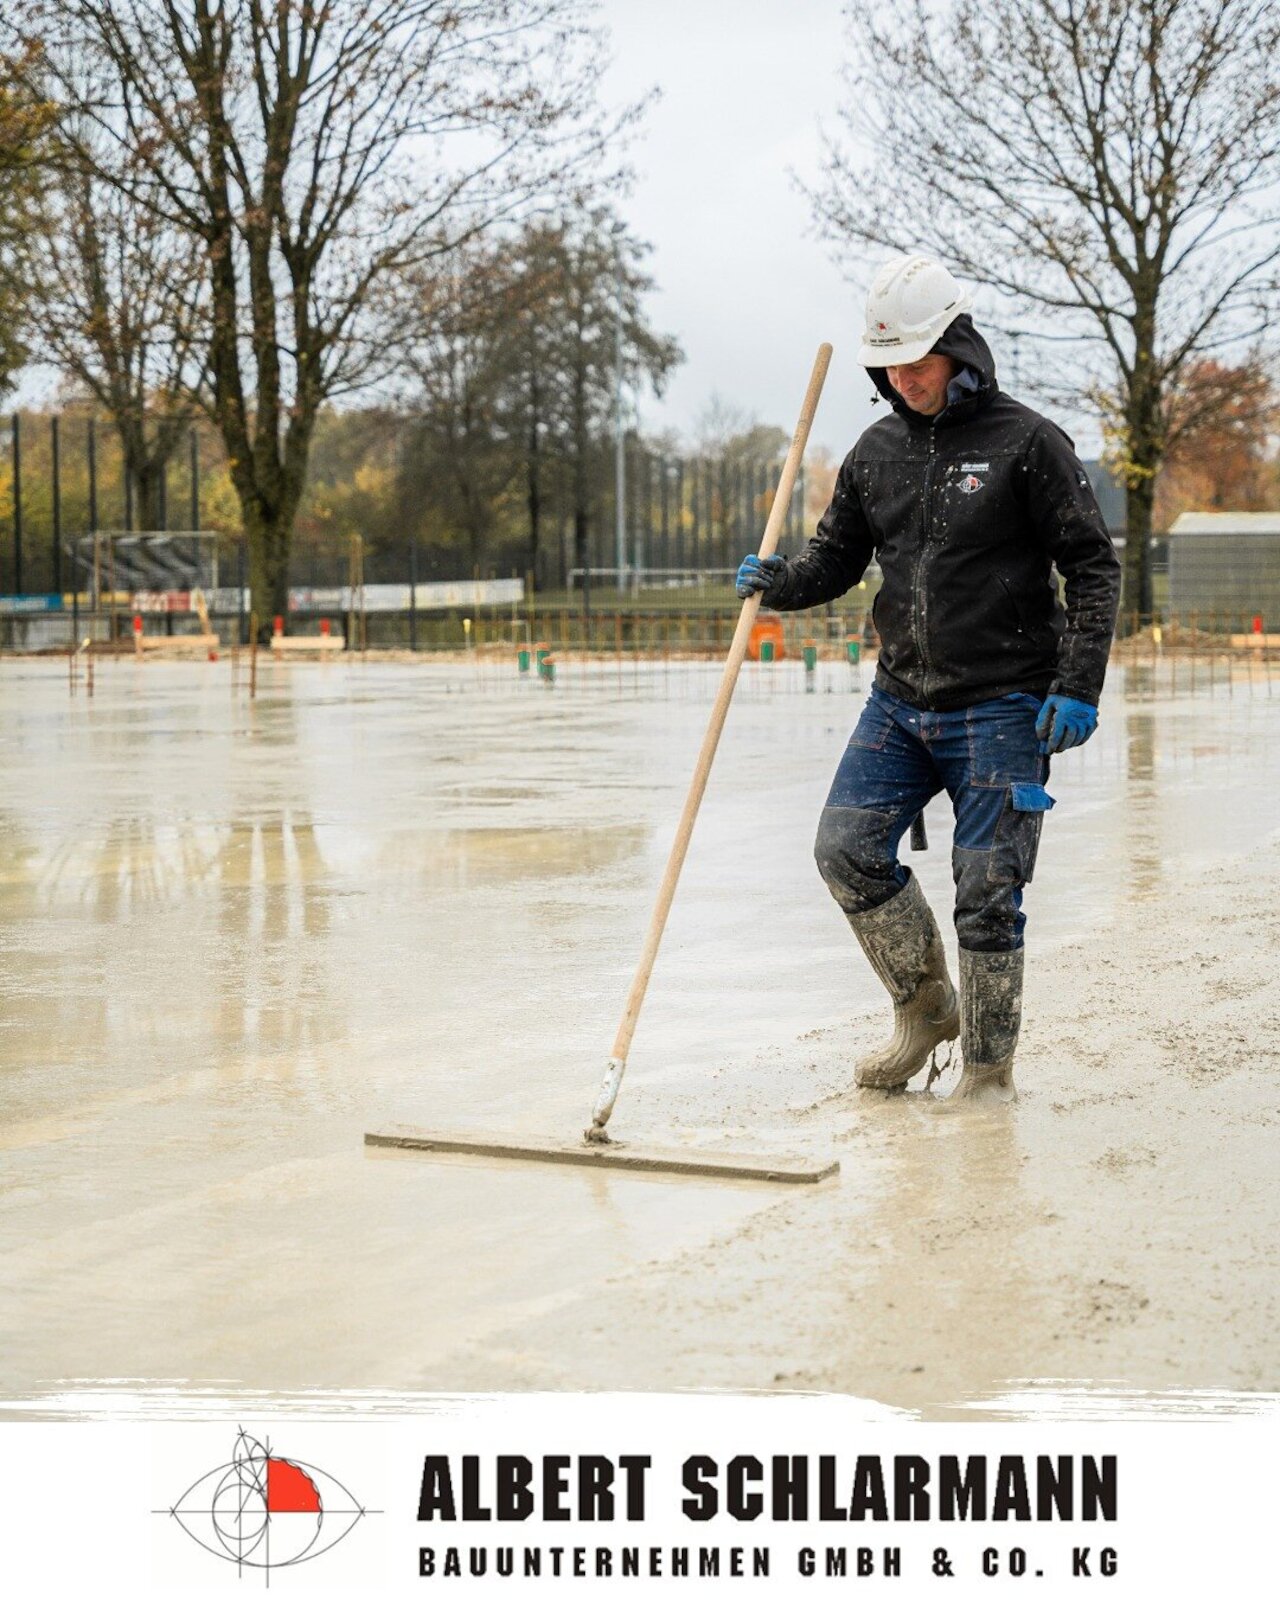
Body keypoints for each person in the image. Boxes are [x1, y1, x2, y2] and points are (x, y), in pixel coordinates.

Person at [738, 254, 1121, 1101]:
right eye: (891, 366)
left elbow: (1092, 567)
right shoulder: (875, 453)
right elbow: (836, 560)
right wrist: (779, 582)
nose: (904, 379)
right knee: (844, 849)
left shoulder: (1028, 443)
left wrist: (1077, 685)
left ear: (959, 346)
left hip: (1005, 704)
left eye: (918, 361)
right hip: (900, 705)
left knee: (987, 892)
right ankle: (925, 1008)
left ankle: (987, 1075)